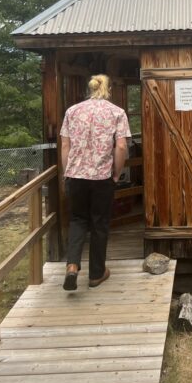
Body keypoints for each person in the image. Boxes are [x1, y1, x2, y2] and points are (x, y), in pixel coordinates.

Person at [60, 74, 131, 290]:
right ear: (108, 89)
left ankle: (72, 265)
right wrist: (116, 174)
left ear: (90, 88)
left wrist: (68, 173)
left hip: (76, 176)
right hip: (101, 177)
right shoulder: (116, 113)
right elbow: (120, 147)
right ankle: (96, 274)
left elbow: (65, 146)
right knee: (99, 224)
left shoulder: (72, 111)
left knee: (78, 220)